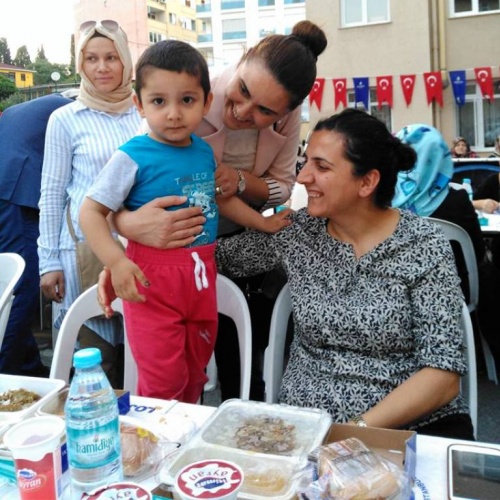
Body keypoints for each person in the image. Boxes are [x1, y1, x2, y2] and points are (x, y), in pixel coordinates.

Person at [100, 109, 474, 440]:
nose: (303, 176)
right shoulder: (299, 233)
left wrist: (355, 431)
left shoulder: (423, 245)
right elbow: (210, 257)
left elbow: (443, 374)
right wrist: (128, 261)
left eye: (321, 167)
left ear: (367, 182)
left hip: (410, 428)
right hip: (305, 428)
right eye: (305, 161)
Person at [109, 21, 328, 401]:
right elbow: (117, 192)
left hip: (212, 257)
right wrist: (121, 242)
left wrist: (243, 187)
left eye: (264, 110)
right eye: (242, 91)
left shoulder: (261, 127)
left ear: (286, 111)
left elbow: (273, 187)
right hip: (163, 257)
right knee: (162, 375)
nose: (242, 111)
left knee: (215, 365)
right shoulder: (181, 92)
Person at [79, 40, 290, 403]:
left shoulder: (203, 151)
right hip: (152, 283)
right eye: (159, 101)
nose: (174, 114)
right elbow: (90, 212)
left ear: (207, 102)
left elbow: (220, 198)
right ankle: (155, 437)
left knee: (195, 377)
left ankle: (184, 438)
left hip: (201, 279)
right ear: (139, 104)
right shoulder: (132, 155)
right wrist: (117, 262)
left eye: (187, 100)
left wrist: (264, 223)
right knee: (163, 386)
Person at [38, 20, 142, 388]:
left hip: (139, 248)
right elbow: (52, 193)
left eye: (111, 57)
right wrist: (49, 262)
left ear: (126, 60)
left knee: (140, 358)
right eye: (91, 58)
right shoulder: (65, 119)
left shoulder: (143, 111)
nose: (102, 67)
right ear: (80, 64)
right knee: (96, 362)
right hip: (82, 252)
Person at [393, 124, 500, 370]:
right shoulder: (457, 199)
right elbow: (476, 251)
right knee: (490, 274)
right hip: (457, 292)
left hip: (394, 291)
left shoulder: (383, 198)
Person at [0, 93, 72, 376]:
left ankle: (28, 367)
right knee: (21, 287)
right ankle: (6, 373)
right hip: (17, 191)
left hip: (8, 187)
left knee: (9, 282)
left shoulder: (30, 107)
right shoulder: (74, 110)